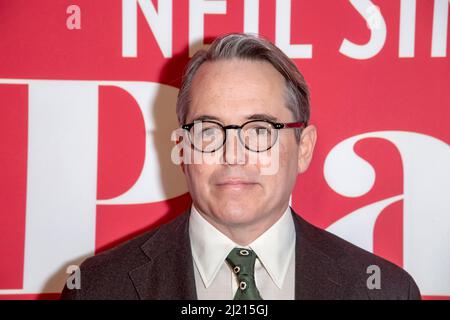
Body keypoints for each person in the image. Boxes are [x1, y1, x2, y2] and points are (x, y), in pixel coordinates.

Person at [61, 33, 420, 300]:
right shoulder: (97, 289)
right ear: (182, 149)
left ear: (304, 148)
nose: (233, 154)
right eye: (207, 131)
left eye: (260, 130)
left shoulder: (385, 291)